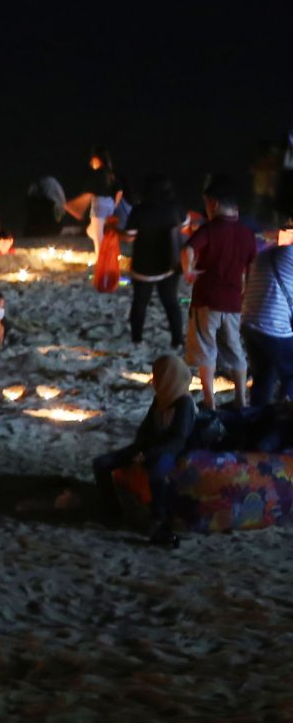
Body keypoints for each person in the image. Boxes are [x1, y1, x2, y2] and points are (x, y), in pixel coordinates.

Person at [92, 355, 200, 546]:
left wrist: (149, 454)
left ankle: (159, 517)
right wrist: (139, 448)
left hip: (171, 451)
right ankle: (112, 511)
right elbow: (145, 429)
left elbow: (178, 439)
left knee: (156, 472)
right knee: (102, 463)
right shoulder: (161, 399)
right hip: (148, 447)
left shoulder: (183, 403)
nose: (155, 380)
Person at [181, 185, 261, 411]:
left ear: (214, 204)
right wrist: (246, 291)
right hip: (234, 301)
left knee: (205, 349)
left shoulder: (210, 229)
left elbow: (187, 249)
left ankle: (210, 402)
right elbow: (252, 266)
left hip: (207, 299)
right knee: (235, 349)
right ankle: (241, 399)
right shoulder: (247, 234)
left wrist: (188, 270)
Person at [125, 176, 188, 349]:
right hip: (168, 264)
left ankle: (137, 339)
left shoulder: (138, 210)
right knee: (171, 302)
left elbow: (129, 238)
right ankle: (177, 340)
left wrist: (113, 231)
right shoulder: (175, 207)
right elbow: (185, 225)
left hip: (143, 265)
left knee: (140, 303)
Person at [244, 228, 293, 407]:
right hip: (273, 325)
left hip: (249, 323)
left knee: (263, 376)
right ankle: (286, 420)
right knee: (291, 373)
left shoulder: (270, 251)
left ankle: (257, 421)